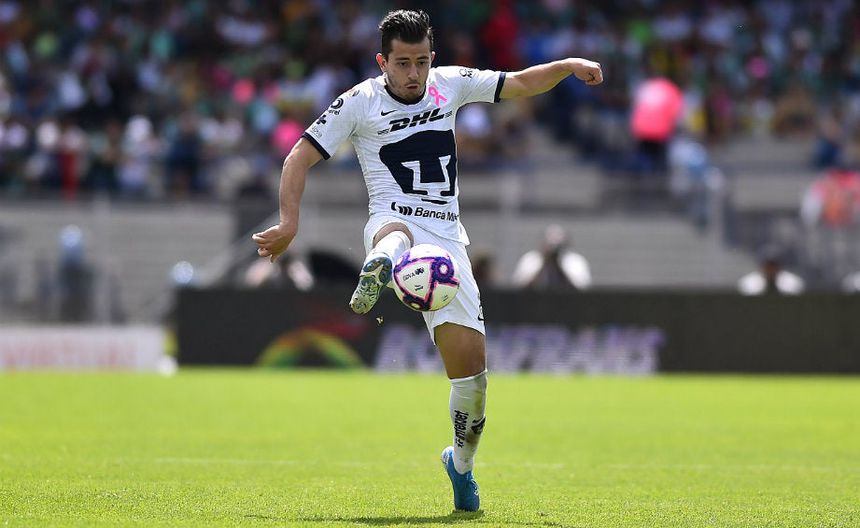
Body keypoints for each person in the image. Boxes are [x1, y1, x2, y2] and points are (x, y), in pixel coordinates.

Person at [252, 9, 602, 513]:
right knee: (393, 234)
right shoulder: (358, 102)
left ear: (432, 57)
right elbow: (297, 157)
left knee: (473, 383)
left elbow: (522, 82)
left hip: (448, 243)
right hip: (390, 220)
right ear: (383, 63)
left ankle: (461, 464)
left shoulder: (451, 83)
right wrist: (289, 222)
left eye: (421, 62)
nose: (414, 73)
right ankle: (380, 264)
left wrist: (568, 65)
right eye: (402, 63)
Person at [512, 224, 592, 290]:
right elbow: (519, 287)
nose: (554, 249)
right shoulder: (530, 259)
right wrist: (545, 262)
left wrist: (558, 265)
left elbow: (582, 288)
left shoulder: (576, 261)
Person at [737, 245, 805, 296]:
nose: (771, 269)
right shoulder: (747, 282)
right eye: (768, 266)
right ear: (762, 266)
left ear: (780, 266)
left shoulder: (794, 282)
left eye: (774, 266)